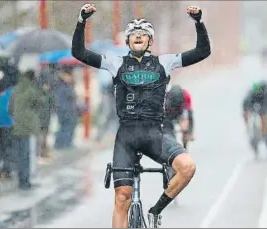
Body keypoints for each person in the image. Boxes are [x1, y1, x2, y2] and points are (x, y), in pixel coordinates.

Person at [72, 4, 210, 228]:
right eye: (134, 34)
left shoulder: (164, 62)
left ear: (150, 41)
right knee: (122, 198)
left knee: (188, 167)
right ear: (127, 41)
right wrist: (81, 21)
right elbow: (79, 53)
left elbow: (202, 52)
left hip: (154, 134)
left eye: (143, 34)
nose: (138, 37)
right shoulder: (115, 62)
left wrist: (199, 23)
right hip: (126, 137)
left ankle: (156, 210)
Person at [9, 70, 43, 190]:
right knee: (27, 155)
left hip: (17, 126)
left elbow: (10, 109)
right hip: (28, 128)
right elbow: (40, 102)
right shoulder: (32, 90)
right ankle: (26, 182)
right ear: (33, 78)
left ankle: (20, 180)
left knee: (19, 155)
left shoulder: (15, 89)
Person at [242, 80, 267, 154]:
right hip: (252, 102)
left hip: (264, 105)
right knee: (246, 113)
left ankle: (264, 133)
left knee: (265, 116)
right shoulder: (252, 91)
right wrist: (246, 119)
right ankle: (248, 127)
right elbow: (245, 103)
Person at [54, 67, 78, 149]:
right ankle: (61, 144)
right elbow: (70, 96)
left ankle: (66, 143)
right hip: (64, 110)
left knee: (67, 127)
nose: (71, 78)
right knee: (64, 127)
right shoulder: (62, 86)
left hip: (68, 110)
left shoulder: (68, 85)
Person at [164, 85, 194, 150]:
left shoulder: (186, 96)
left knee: (186, 123)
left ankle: (185, 142)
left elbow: (189, 114)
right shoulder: (165, 97)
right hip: (169, 111)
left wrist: (189, 131)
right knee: (167, 126)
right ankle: (172, 144)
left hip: (181, 111)